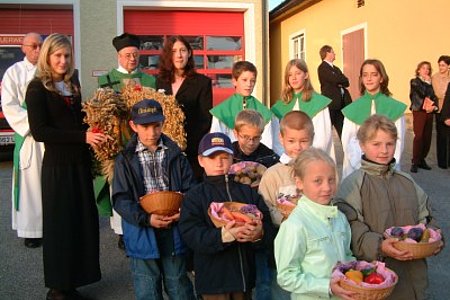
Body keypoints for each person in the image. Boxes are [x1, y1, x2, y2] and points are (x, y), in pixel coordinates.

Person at [26, 33, 105, 300]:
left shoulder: (74, 83)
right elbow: (40, 131)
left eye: (67, 56)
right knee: (60, 226)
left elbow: (78, 122)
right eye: (57, 55)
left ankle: (73, 281)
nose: (63, 60)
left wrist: (95, 130)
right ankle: (57, 288)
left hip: (79, 165)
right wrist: (82, 137)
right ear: (47, 57)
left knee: (80, 223)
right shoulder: (37, 87)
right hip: (58, 168)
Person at [334, 114, 444, 300]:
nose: (384, 150)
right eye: (376, 144)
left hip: (413, 275)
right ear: (362, 145)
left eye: (390, 144)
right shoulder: (352, 185)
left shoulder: (407, 181)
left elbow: (427, 218)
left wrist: (435, 237)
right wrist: (380, 246)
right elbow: (351, 227)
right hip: (376, 278)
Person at [112, 99, 195, 300]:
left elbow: (190, 188)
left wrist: (182, 211)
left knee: (179, 286)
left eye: (156, 126)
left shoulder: (176, 154)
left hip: (173, 231)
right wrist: (146, 219)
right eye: (145, 126)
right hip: (141, 232)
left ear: (163, 123)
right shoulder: (124, 160)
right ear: (133, 126)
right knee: (147, 288)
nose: (151, 132)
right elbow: (121, 199)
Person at [179, 132, 275, 300]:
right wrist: (222, 236)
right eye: (212, 157)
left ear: (232, 159)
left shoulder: (247, 192)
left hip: (243, 279)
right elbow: (190, 234)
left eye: (224, 157)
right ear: (201, 161)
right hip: (213, 282)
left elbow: (267, 224)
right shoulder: (195, 196)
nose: (219, 162)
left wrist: (259, 234)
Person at [97, 32, 157, 249]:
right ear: (119, 56)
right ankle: (121, 230)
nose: (132, 59)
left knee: (143, 183)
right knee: (120, 186)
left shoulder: (150, 79)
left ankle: (146, 220)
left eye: (135, 54)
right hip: (119, 140)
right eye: (127, 55)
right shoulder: (106, 81)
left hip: (145, 140)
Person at [274, 148, 355, 300]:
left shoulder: (340, 218)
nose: (327, 187)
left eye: (331, 179)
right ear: (299, 182)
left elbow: (347, 256)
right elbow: (286, 276)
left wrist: (359, 272)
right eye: (318, 181)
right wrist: (326, 286)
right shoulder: (295, 225)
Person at [258, 110, 314, 300]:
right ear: (281, 139)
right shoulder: (273, 174)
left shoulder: (317, 170)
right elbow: (265, 207)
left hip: (312, 250)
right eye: (291, 141)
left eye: (303, 141)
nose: (298, 147)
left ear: (312, 139)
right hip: (282, 250)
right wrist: (286, 218)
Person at [1, 32, 45, 248]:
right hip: (29, 135)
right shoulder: (13, 72)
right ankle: (32, 230)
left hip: (50, 134)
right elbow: (9, 105)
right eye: (33, 46)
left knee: (51, 180)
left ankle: (54, 225)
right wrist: (34, 122)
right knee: (30, 183)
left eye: (41, 45)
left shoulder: (49, 69)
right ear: (23, 48)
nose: (38, 50)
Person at [156, 35, 212, 181]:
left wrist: (183, 144)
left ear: (189, 53)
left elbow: (205, 120)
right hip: (164, 150)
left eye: (183, 50)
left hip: (191, 153)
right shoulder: (160, 82)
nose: (179, 55)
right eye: (174, 51)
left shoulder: (202, 83)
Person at [341, 59, 407, 179]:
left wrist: (385, 164)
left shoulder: (395, 108)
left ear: (381, 78)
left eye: (374, 74)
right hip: (359, 168)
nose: (369, 79)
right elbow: (349, 141)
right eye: (365, 75)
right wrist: (363, 165)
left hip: (387, 167)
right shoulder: (353, 109)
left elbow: (398, 140)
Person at [272, 58, 335, 160]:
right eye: (290, 75)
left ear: (306, 75)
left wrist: (306, 160)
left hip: (312, 160)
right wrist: (286, 159)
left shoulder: (318, 103)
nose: (294, 78)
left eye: (298, 73)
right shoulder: (280, 106)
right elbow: (277, 138)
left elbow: (322, 139)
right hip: (287, 160)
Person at [209, 61, 278, 153]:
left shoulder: (263, 112)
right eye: (244, 80)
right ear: (234, 81)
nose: (249, 84)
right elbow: (217, 139)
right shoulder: (222, 110)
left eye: (252, 80)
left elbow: (268, 142)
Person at [409, 61, 438, 173]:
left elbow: (432, 96)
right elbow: (422, 93)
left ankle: (422, 160)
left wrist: (434, 106)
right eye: (423, 68)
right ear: (418, 70)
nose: (426, 71)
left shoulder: (429, 83)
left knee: (427, 137)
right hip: (419, 110)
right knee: (419, 136)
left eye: (428, 69)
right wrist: (427, 83)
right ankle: (415, 161)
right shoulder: (415, 82)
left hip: (429, 111)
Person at [317, 45, 352, 139]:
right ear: (327, 53)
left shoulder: (336, 69)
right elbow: (335, 80)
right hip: (331, 104)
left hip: (341, 104)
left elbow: (346, 81)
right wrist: (339, 81)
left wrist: (339, 81)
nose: (334, 53)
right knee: (327, 133)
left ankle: (347, 152)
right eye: (333, 52)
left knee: (344, 133)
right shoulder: (322, 68)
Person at [431, 55, 450, 169]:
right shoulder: (435, 77)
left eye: (443, 65)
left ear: (448, 66)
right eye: (439, 65)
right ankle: (442, 162)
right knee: (442, 136)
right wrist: (447, 94)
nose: (441, 67)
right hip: (440, 110)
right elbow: (437, 93)